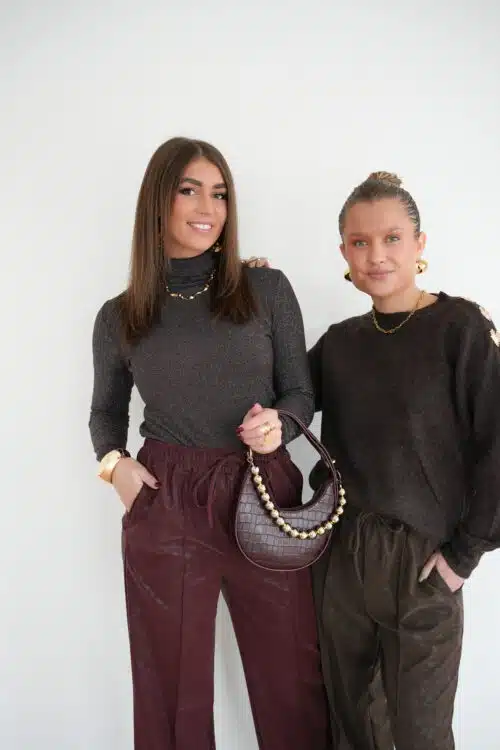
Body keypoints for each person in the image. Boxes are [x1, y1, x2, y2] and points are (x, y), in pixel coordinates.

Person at [89, 137, 330, 750]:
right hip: (166, 496)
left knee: (291, 676)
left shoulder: (266, 288)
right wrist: (114, 466)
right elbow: (105, 413)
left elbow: (300, 391)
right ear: (158, 201)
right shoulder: (120, 315)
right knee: (171, 687)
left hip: (264, 490)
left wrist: (280, 424)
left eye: (219, 194)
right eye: (189, 190)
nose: (208, 207)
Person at [247, 171, 500, 749]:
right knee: (353, 725)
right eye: (359, 242)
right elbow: (284, 396)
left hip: (423, 560)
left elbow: (498, 443)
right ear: (344, 252)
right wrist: (259, 303)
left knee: (420, 734)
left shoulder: (461, 329)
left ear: (419, 244)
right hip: (341, 553)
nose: (376, 255)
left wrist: (464, 555)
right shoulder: (341, 342)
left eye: (391, 239)